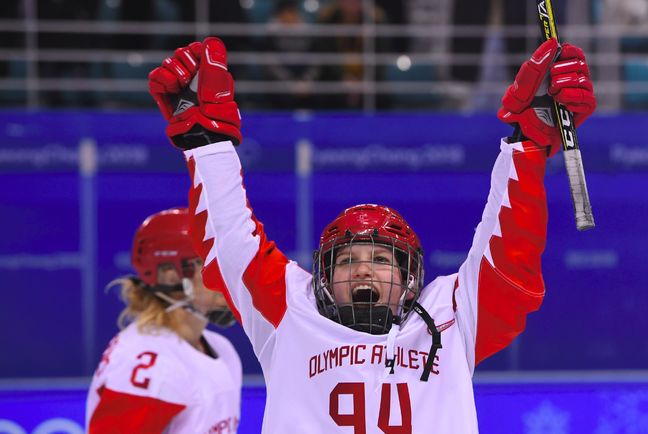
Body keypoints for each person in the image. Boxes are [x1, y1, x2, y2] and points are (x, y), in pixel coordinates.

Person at [147, 36, 595, 432]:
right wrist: (207, 144)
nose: (363, 269)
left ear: (408, 278)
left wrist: (528, 143)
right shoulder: (292, 313)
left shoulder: (452, 317)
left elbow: (506, 259)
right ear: (323, 277)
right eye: (347, 260)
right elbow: (231, 243)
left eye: (381, 260)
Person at [85, 208, 242, 433]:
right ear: (171, 275)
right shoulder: (148, 363)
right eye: (212, 263)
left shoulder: (223, 350)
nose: (227, 275)